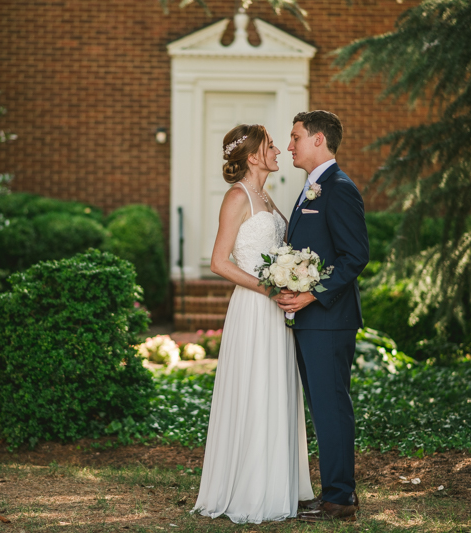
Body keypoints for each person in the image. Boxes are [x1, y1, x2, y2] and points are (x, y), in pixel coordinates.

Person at [193, 124, 314, 524]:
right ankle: (248, 489)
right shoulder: (237, 196)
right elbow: (219, 262)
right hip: (254, 308)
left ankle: (276, 484)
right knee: (255, 388)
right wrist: (268, 287)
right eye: (270, 146)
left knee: (276, 389)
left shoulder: (266, 195)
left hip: (276, 309)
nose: (279, 150)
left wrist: (294, 275)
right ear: (253, 156)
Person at [277, 110, 369, 522]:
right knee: (323, 408)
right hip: (312, 320)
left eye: (296, 137)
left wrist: (312, 294)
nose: (290, 145)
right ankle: (334, 491)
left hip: (329, 319)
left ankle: (340, 499)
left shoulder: (338, 188)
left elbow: (355, 257)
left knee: (331, 408)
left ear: (318, 139)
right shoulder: (310, 188)